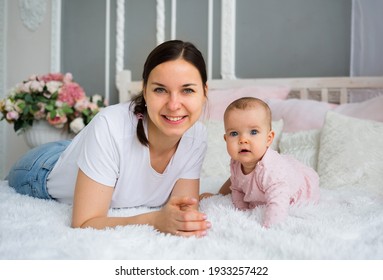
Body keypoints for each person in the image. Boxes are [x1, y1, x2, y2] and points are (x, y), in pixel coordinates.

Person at [6, 40, 211, 237]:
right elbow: (85, 222)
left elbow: (182, 209)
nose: (174, 104)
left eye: (187, 90)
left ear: (204, 92)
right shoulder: (110, 124)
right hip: (42, 167)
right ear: (145, 92)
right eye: (160, 89)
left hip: (85, 150)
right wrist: (154, 220)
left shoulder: (197, 136)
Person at [200, 97, 319, 228]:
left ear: (269, 139)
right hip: (268, 185)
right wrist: (242, 211)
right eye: (234, 133)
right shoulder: (235, 163)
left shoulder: (272, 170)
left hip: (297, 189)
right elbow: (237, 188)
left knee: (283, 190)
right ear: (226, 139)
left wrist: (269, 228)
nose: (243, 140)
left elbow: (278, 203)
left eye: (253, 132)